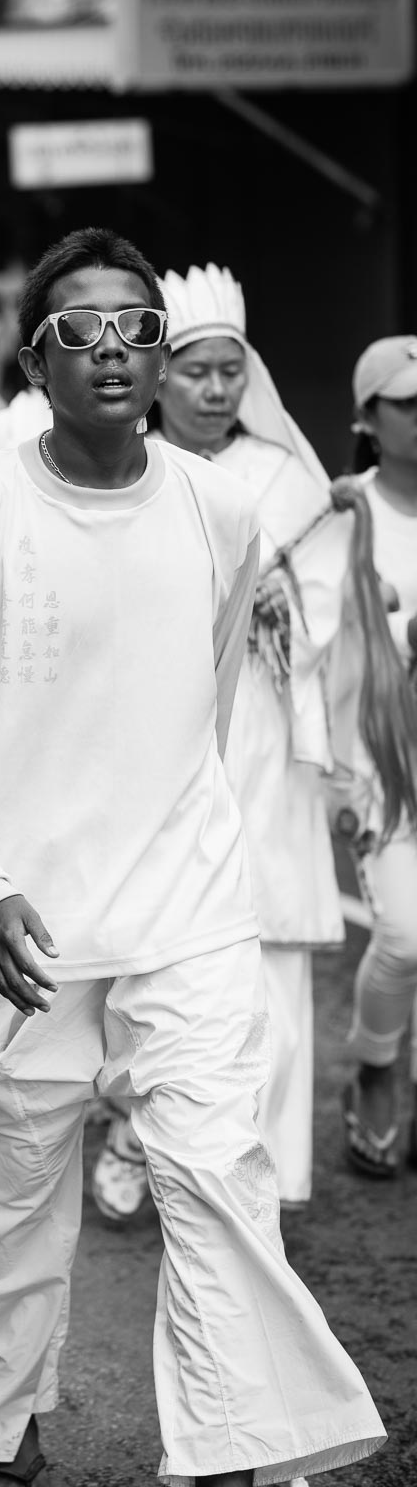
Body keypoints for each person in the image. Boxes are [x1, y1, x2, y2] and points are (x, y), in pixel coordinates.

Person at [0, 227, 386, 1487]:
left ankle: (227, 1461)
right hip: (21, 920)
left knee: (217, 1181)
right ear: (35, 361)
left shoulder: (221, 509)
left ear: (160, 358)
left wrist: (195, 841)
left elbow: (209, 712)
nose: (111, 350)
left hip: (186, 910)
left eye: (134, 328)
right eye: (79, 330)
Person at [90, 262, 353, 1216]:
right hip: (160, 734)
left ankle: (260, 1165)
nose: (213, 390)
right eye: (196, 370)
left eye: (228, 373)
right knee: (150, 946)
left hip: (263, 740)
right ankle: (134, 1125)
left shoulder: (285, 479)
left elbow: (328, 604)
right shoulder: (129, 467)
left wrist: (284, 608)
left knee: (269, 953)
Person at [334, 335, 417, 1176]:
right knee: (404, 935)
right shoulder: (345, 506)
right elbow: (325, 639)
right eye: (407, 404)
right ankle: (376, 1069)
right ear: (368, 416)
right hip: (381, 758)